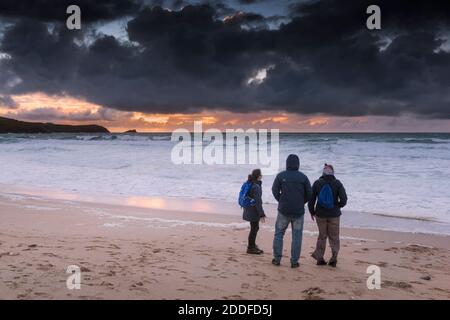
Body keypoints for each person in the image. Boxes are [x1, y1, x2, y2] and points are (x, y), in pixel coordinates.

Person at [271, 154, 312, 268]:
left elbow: (274, 190)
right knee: (297, 237)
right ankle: (294, 262)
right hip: (298, 211)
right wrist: (301, 202)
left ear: (287, 163)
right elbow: (310, 194)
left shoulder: (281, 176)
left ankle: (277, 259)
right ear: (298, 164)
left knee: (279, 234)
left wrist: (281, 200)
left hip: (283, 210)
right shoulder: (303, 177)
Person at [308, 164, 347, 267]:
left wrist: (312, 212)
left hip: (320, 214)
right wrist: (338, 206)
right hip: (334, 215)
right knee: (334, 237)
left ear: (323, 173)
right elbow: (344, 199)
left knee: (322, 236)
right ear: (333, 173)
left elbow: (311, 199)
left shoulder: (317, 183)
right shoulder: (337, 183)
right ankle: (334, 259)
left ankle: (320, 259)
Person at [243, 169, 266, 254]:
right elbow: (258, 202)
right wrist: (262, 214)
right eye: (261, 174)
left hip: (249, 208)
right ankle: (250, 248)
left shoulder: (251, 183)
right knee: (254, 228)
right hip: (253, 210)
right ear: (258, 176)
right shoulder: (255, 186)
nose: (262, 175)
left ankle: (252, 245)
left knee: (255, 228)